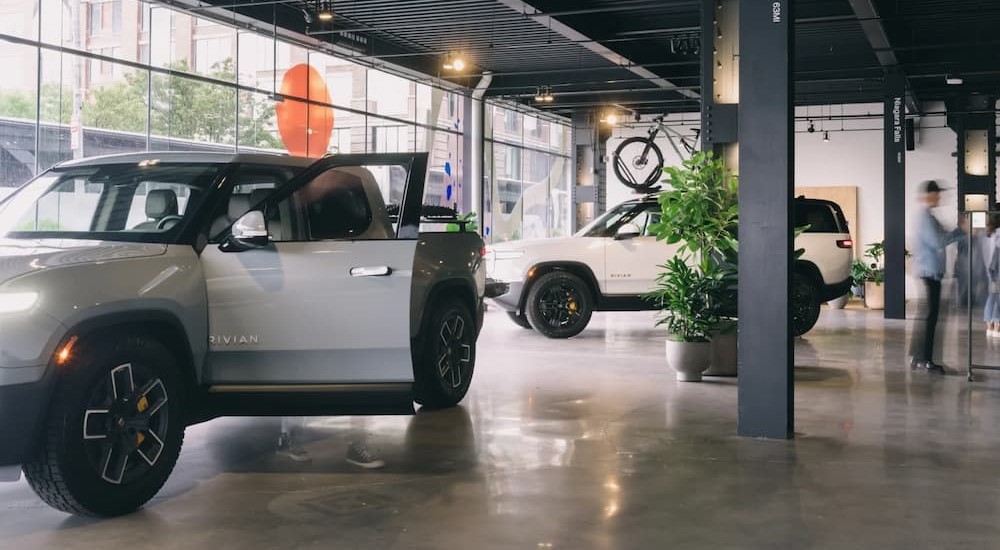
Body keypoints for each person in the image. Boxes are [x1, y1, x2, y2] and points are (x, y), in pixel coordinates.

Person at [910, 180, 966, 374]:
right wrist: (961, 231)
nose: (940, 198)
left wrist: (959, 232)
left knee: (928, 315)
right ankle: (926, 360)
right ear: (930, 195)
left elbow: (943, 236)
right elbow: (938, 241)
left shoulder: (929, 216)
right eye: (938, 194)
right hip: (930, 271)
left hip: (930, 271)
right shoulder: (925, 217)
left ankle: (919, 358)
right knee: (932, 316)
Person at [983, 213, 1000, 337]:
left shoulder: (988, 234)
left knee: (992, 295)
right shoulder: (998, 234)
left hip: (990, 270)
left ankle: (989, 325)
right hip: (997, 270)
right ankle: (997, 326)